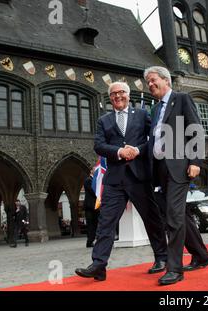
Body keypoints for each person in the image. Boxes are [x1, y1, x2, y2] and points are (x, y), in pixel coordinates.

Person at [75, 81, 167, 282]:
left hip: (139, 177)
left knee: (151, 219)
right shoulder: (104, 120)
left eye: (121, 92)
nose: (118, 96)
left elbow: (153, 138)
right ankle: (99, 265)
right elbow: (99, 146)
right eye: (114, 94)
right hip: (115, 180)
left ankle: (162, 257)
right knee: (105, 222)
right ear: (110, 98)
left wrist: (138, 150)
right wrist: (118, 151)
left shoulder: (142, 114)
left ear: (128, 94)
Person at [145, 66, 208, 286]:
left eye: (153, 80)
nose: (150, 85)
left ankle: (175, 269)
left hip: (179, 166)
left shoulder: (181, 99)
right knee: (179, 214)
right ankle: (201, 255)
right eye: (148, 83)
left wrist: (195, 161)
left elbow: (195, 130)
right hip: (160, 168)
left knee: (173, 216)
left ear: (166, 80)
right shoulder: (155, 110)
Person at [83, 167, 99, 248]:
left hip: (95, 207)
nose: (96, 171)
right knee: (90, 225)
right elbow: (93, 191)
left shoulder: (95, 180)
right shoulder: (88, 180)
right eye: (95, 170)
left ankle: (95, 239)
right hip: (90, 206)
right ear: (91, 171)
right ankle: (89, 242)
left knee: (96, 224)